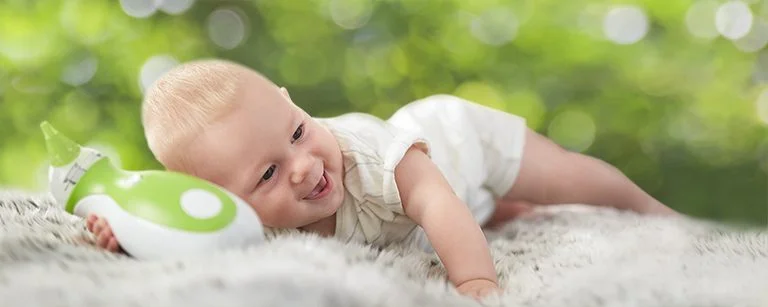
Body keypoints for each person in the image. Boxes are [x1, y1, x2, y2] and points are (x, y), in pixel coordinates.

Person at [86, 59, 677, 300]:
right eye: (267, 173)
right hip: (434, 208)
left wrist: (473, 282)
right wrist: (123, 232)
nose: (303, 166)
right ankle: (503, 210)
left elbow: (435, 202)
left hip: (460, 144)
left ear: (295, 105)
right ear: (220, 198)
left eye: (296, 131)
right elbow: (180, 226)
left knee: (570, 179)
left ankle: (648, 204)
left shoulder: (367, 156)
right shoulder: (240, 221)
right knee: (494, 211)